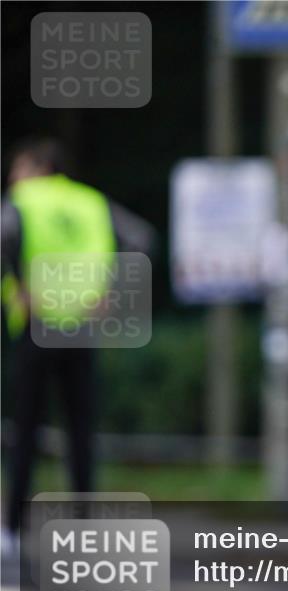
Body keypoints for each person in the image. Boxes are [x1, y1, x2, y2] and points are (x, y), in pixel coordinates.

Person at [1, 137, 155, 551]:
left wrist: (18, 284)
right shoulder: (91, 202)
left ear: (36, 167)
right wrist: (113, 291)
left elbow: (4, 236)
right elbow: (141, 238)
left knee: (26, 430)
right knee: (81, 430)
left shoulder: (24, 199)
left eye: (17, 168)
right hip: (84, 325)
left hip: (38, 324)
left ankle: (13, 528)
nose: (13, 177)